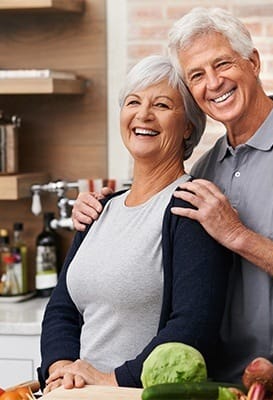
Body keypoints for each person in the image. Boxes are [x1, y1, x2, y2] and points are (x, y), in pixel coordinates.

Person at [72, 8, 273, 400]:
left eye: (222, 64)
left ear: (254, 63)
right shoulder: (208, 168)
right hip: (229, 389)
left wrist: (238, 235)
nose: (213, 83)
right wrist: (101, 207)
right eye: (196, 75)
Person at [37, 54, 232, 394]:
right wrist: (63, 369)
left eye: (161, 105)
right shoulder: (100, 207)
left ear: (188, 124)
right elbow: (62, 308)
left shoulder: (190, 210)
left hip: (136, 393)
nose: (143, 115)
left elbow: (192, 328)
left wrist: (112, 380)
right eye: (133, 102)